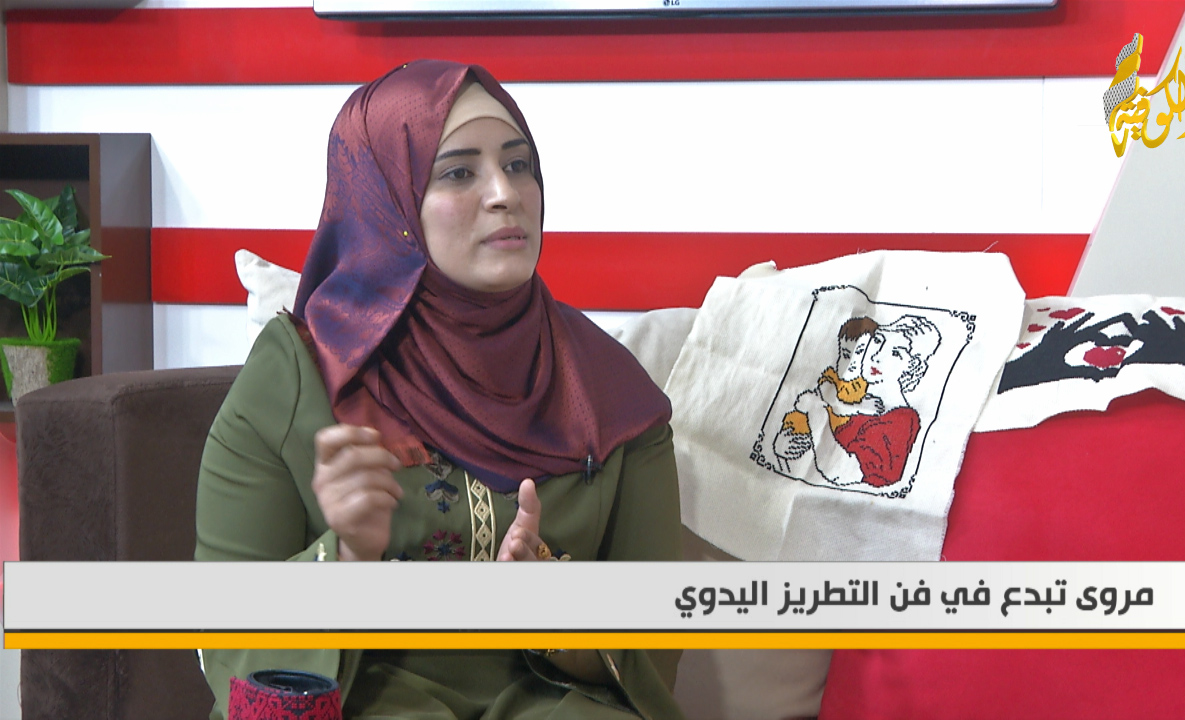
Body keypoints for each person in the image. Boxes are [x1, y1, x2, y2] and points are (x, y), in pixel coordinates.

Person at [195, 60, 684, 720]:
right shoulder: (301, 372)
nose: (505, 193)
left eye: (519, 165)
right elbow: (225, 641)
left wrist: (556, 623)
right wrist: (346, 558)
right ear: (386, 202)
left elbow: (657, 650)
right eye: (458, 173)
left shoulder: (613, 394)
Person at [779, 314, 940, 491]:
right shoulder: (851, 392)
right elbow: (788, 444)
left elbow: (842, 472)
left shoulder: (902, 420)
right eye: (878, 341)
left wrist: (814, 410)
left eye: (895, 353)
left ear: (912, 366)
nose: (877, 356)